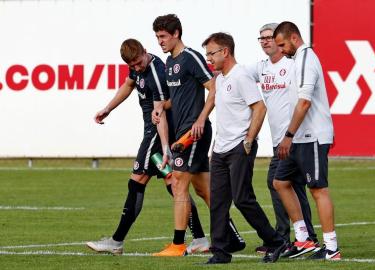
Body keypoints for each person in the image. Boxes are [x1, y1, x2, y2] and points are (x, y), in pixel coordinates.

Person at [86, 38, 210, 255]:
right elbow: (128, 84)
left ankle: (116, 242)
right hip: (156, 136)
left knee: (137, 182)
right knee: (174, 185)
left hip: (156, 135)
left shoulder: (156, 72)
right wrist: (108, 108)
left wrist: (163, 147)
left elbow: (161, 113)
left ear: (145, 52)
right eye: (131, 65)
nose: (136, 68)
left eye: (137, 62)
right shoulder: (138, 69)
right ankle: (199, 238)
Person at [152, 14, 245, 256]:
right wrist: (163, 106)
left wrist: (201, 119)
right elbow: (181, 96)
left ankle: (178, 244)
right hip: (186, 132)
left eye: (163, 36)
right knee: (205, 191)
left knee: (178, 184)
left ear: (176, 34)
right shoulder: (170, 62)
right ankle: (232, 237)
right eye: (157, 37)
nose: (159, 41)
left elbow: (213, 87)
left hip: (193, 133)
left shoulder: (191, 57)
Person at [202, 32, 286, 264]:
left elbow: (260, 108)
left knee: (242, 199)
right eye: (207, 54)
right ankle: (220, 253)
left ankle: (276, 240)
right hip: (220, 150)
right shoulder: (219, 79)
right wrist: (215, 148)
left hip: (240, 147)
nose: (208, 58)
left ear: (225, 52)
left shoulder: (241, 76)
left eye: (211, 53)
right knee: (218, 201)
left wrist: (249, 140)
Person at [246, 23, 319, 258]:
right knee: (286, 185)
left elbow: (306, 98)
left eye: (270, 37)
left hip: (294, 137)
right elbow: (238, 73)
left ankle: (292, 238)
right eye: (262, 38)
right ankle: (297, 238)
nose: (266, 41)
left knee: (282, 183)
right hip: (281, 139)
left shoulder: (293, 64)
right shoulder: (262, 67)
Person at [272, 21, 341, 260]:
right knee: (280, 182)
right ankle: (304, 239)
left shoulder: (305, 59)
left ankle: (331, 248)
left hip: (310, 136)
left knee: (317, 189)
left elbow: (305, 102)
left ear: (294, 38)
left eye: (282, 44)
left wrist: (288, 136)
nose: (280, 50)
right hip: (301, 137)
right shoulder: (296, 61)